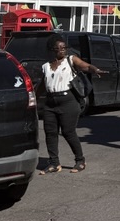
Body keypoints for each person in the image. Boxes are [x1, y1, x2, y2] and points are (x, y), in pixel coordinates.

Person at [39, 36, 106, 174]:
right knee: (50, 133)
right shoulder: (45, 66)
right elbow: (41, 85)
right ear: (53, 49)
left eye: (64, 48)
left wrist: (95, 70)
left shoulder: (70, 60)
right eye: (59, 48)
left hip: (68, 101)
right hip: (50, 103)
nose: (63, 50)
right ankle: (54, 163)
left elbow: (85, 65)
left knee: (68, 132)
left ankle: (80, 161)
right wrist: (31, 96)